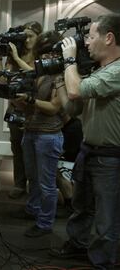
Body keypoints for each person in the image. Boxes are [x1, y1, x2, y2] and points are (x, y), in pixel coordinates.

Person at [51, 14, 120, 269]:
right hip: (89, 150)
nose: (86, 43)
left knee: (107, 217)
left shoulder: (118, 71)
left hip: (111, 157)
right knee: (81, 207)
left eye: (91, 36)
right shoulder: (99, 71)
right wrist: (61, 76)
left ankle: (102, 262)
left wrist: (70, 60)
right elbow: (73, 107)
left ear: (109, 37)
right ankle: (78, 246)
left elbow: (75, 90)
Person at [15, 31, 64, 237]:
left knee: (47, 184)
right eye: (43, 54)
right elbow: (30, 107)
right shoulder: (39, 74)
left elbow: (54, 107)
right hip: (31, 131)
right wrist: (17, 99)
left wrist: (30, 100)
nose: (46, 58)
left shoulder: (62, 76)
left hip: (48, 135)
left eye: (51, 53)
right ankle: (33, 209)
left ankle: (45, 223)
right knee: (32, 178)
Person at [0, 21, 43, 199]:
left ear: (39, 36)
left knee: (34, 150)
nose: (27, 39)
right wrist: (0, 58)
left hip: (35, 109)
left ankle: (35, 185)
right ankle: (19, 184)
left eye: (30, 36)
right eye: (25, 36)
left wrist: (16, 58)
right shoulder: (16, 54)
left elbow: (36, 76)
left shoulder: (42, 55)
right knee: (17, 148)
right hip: (15, 109)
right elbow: (2, 82)